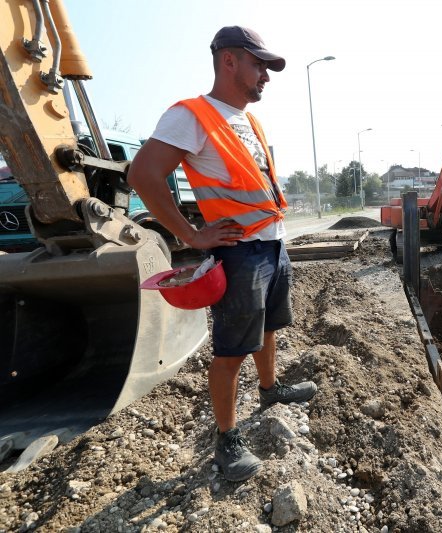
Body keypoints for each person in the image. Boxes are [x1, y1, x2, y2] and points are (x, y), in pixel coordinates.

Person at [127, 26, 317, 482]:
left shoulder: (246, 120)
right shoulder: (191, 115)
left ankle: (270, 389)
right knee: (231, 349)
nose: (266, 76)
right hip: (240, 253)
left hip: (270, 242)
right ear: (228, 61)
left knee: (270, 326)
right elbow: (143, 176)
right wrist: (190, 235)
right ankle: (226, 441)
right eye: (259, 65)